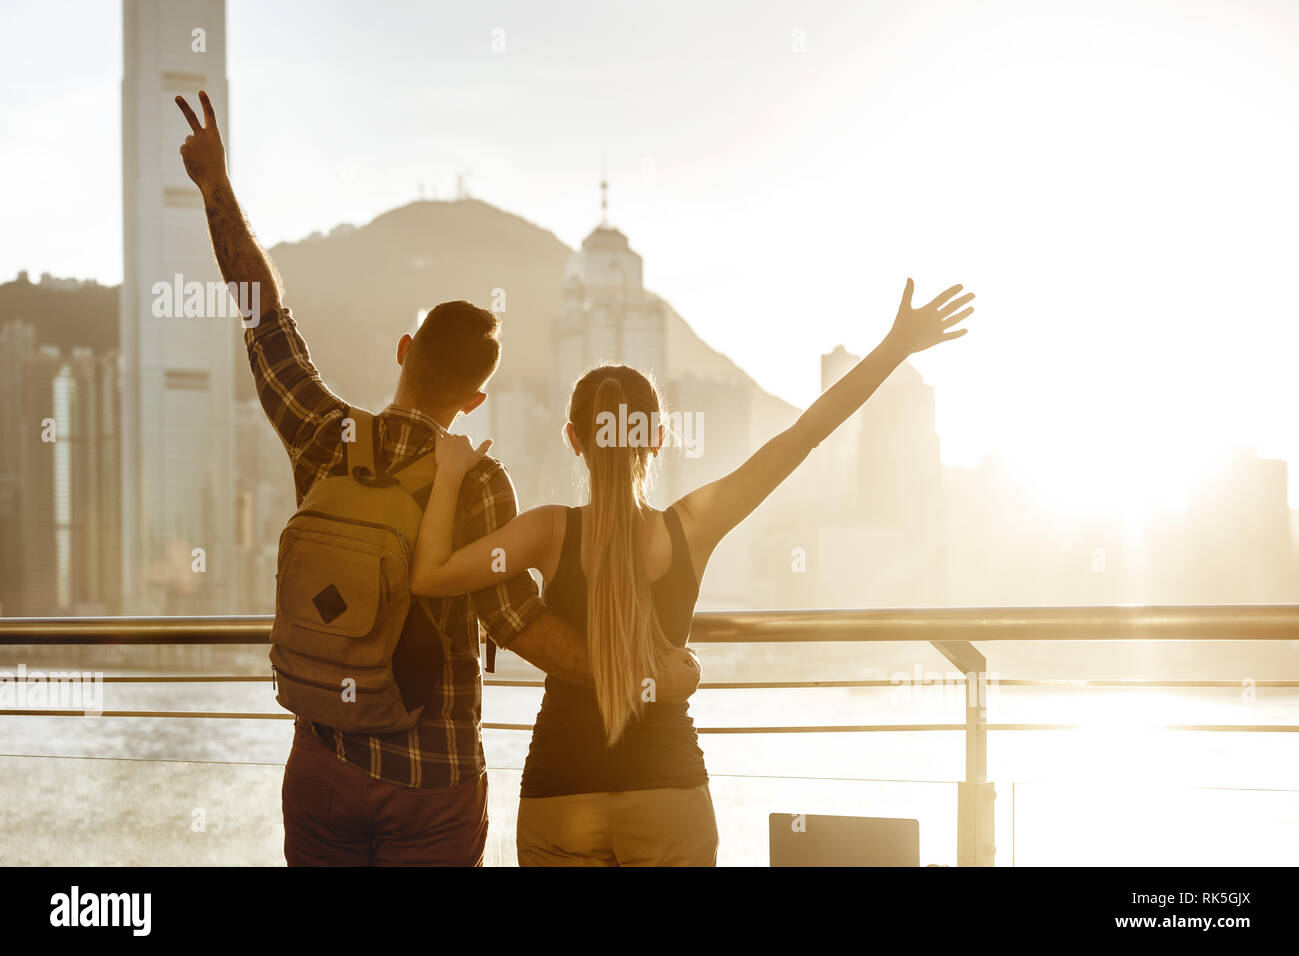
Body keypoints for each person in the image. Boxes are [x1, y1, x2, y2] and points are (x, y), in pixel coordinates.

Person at [173, 90, 699, 866]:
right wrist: (646, 672)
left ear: (402, 349)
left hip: (322, 764)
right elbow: (521, 628)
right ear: (476, 397)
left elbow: (263, 316)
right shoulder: (482, 485)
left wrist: (216, 187)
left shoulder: (322, 435)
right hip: (435, 778)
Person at [410, 277, 975, 865]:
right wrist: (895, 347)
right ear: (656, 439)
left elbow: (429, 575)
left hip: (561, 790)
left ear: (574, 440)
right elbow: (806, 434)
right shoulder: (692, 526)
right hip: (667, 792)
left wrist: (450, 471)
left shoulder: (547, 531)